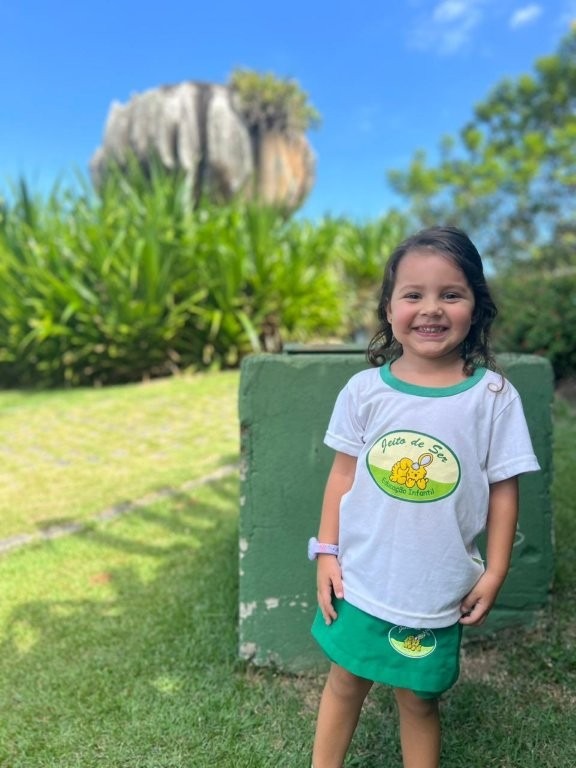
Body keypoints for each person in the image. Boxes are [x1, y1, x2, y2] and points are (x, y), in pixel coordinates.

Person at [309, 226, 540, 768]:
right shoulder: (364, 391)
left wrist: (495, 571)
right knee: (345, 680)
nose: (431, 309)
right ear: (389, 309)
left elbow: (504, 491)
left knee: (418, 699)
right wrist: (326, 553)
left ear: (476, 308)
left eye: (450, 294)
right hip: (361, 577)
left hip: (436, 588)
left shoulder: (494, 398)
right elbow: (341, 477)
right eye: (413, 294)